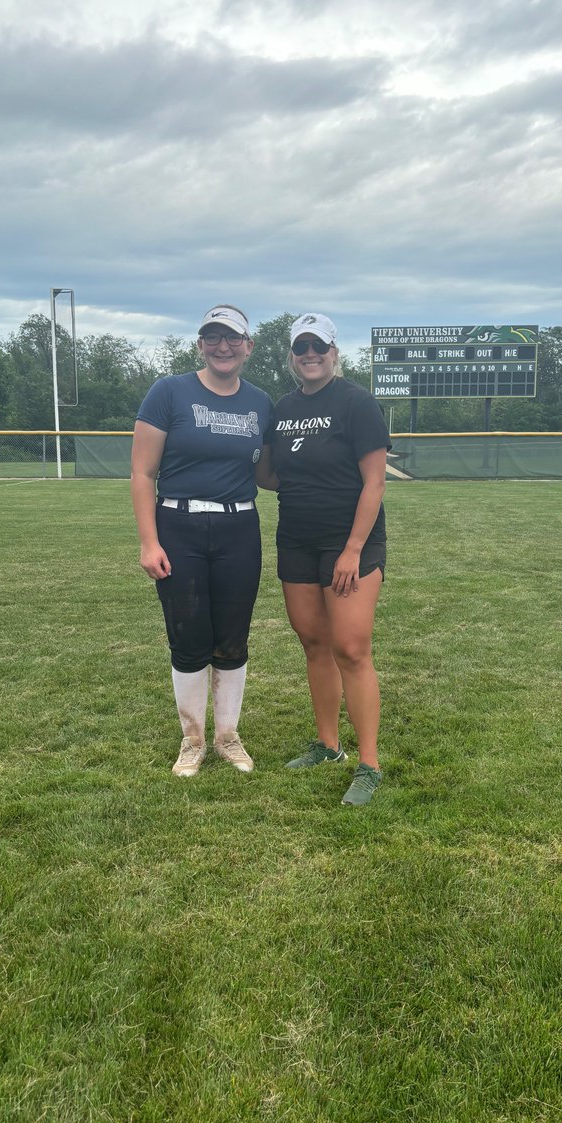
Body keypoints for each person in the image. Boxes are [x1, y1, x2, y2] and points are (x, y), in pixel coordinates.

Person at [131, 304, 273, 777]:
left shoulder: (260, 402)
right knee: (189, 636)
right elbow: (142, 472)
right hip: (179, 525)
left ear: (248, 347)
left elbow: (269, 471)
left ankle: (227, 737)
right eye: (212, 338)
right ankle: (192, 739)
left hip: (239, 527)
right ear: (200, 344)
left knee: (232, 637)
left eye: (232, 338)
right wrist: (150, 543)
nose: (222, 347)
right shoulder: (169, 392)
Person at [258, 313, 390, 806]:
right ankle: (328, 745)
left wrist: (353, 549)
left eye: (319, 346)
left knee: (351, 649)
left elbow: (375, 482)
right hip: (296, 539)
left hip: (349, 544)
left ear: (335, 352)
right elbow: (269, 475)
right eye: (300, 347)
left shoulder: (357, 403)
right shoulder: (284, 407)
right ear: (291, 356)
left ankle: (369, 764)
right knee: (313, 642)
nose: (309, 354)